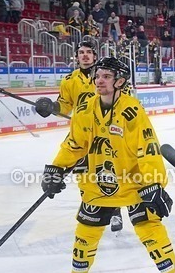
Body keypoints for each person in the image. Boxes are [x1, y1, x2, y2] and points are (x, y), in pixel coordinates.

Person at [40, 57, 175, 273]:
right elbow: (74, 144)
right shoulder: (85, 109)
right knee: (85, 231)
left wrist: (153, 183)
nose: (99, 81)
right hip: (98, 181)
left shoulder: (132, 110)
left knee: (149, 228)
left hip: (134, 182)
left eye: (106, 76)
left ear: (120, 81)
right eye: (97, 76)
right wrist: (56, 167)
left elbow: (148, 148)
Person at [35, 41, 126, 235]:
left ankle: (115, 210)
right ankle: (90, 203)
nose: (84, 55)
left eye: (88, 52)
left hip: (106, 132)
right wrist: (52, 107)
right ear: (77, 56)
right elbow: (65, 105)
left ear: (94, 55)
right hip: (82, 133)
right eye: (81, 52)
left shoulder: (105, 75)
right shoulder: (69, 80)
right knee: (84, 173)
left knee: (108, 172)